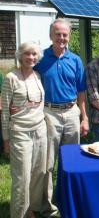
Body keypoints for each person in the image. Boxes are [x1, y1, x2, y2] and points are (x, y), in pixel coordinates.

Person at [34, 18, 89, 217]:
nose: (62, 38)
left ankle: (67, 200)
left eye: (65, 34)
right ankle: (48, 206)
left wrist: (84, 118)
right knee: (48, 163)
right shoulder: (40, 59)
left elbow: (82, 91)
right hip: (49, 113)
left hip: (72, 112)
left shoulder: (75, 60)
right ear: (51, 35)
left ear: (70, 36)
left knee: (71, 160)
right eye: (58, 34)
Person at [1, 42, 46, 218]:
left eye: (34, 54)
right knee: (22, 179)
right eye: (27, 54)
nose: (31, 57)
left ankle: (30, 209)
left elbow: (39, 104)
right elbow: (5, 110)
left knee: (38, 174)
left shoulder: (37, 75)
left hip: (40, 131)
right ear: (20, 55)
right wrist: (6, 140)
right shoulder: (11, 77)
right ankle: (18, 213)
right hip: (20, 133)